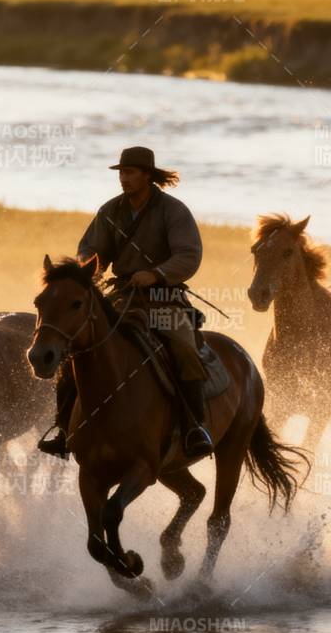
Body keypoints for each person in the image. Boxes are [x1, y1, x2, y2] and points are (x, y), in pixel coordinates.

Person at [37, 145, 215, 462]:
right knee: (75, 349)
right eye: (121, 173)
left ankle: (193, 427)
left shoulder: (173, 211)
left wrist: (157, 274)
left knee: (184, 348)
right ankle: (65, 429)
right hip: (120, 295)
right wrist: (90, 268)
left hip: (163, 298)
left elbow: (189, 255)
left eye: (130, 172)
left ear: (148, 175)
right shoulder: (110, 211)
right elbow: (90, 250)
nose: (123, 179)